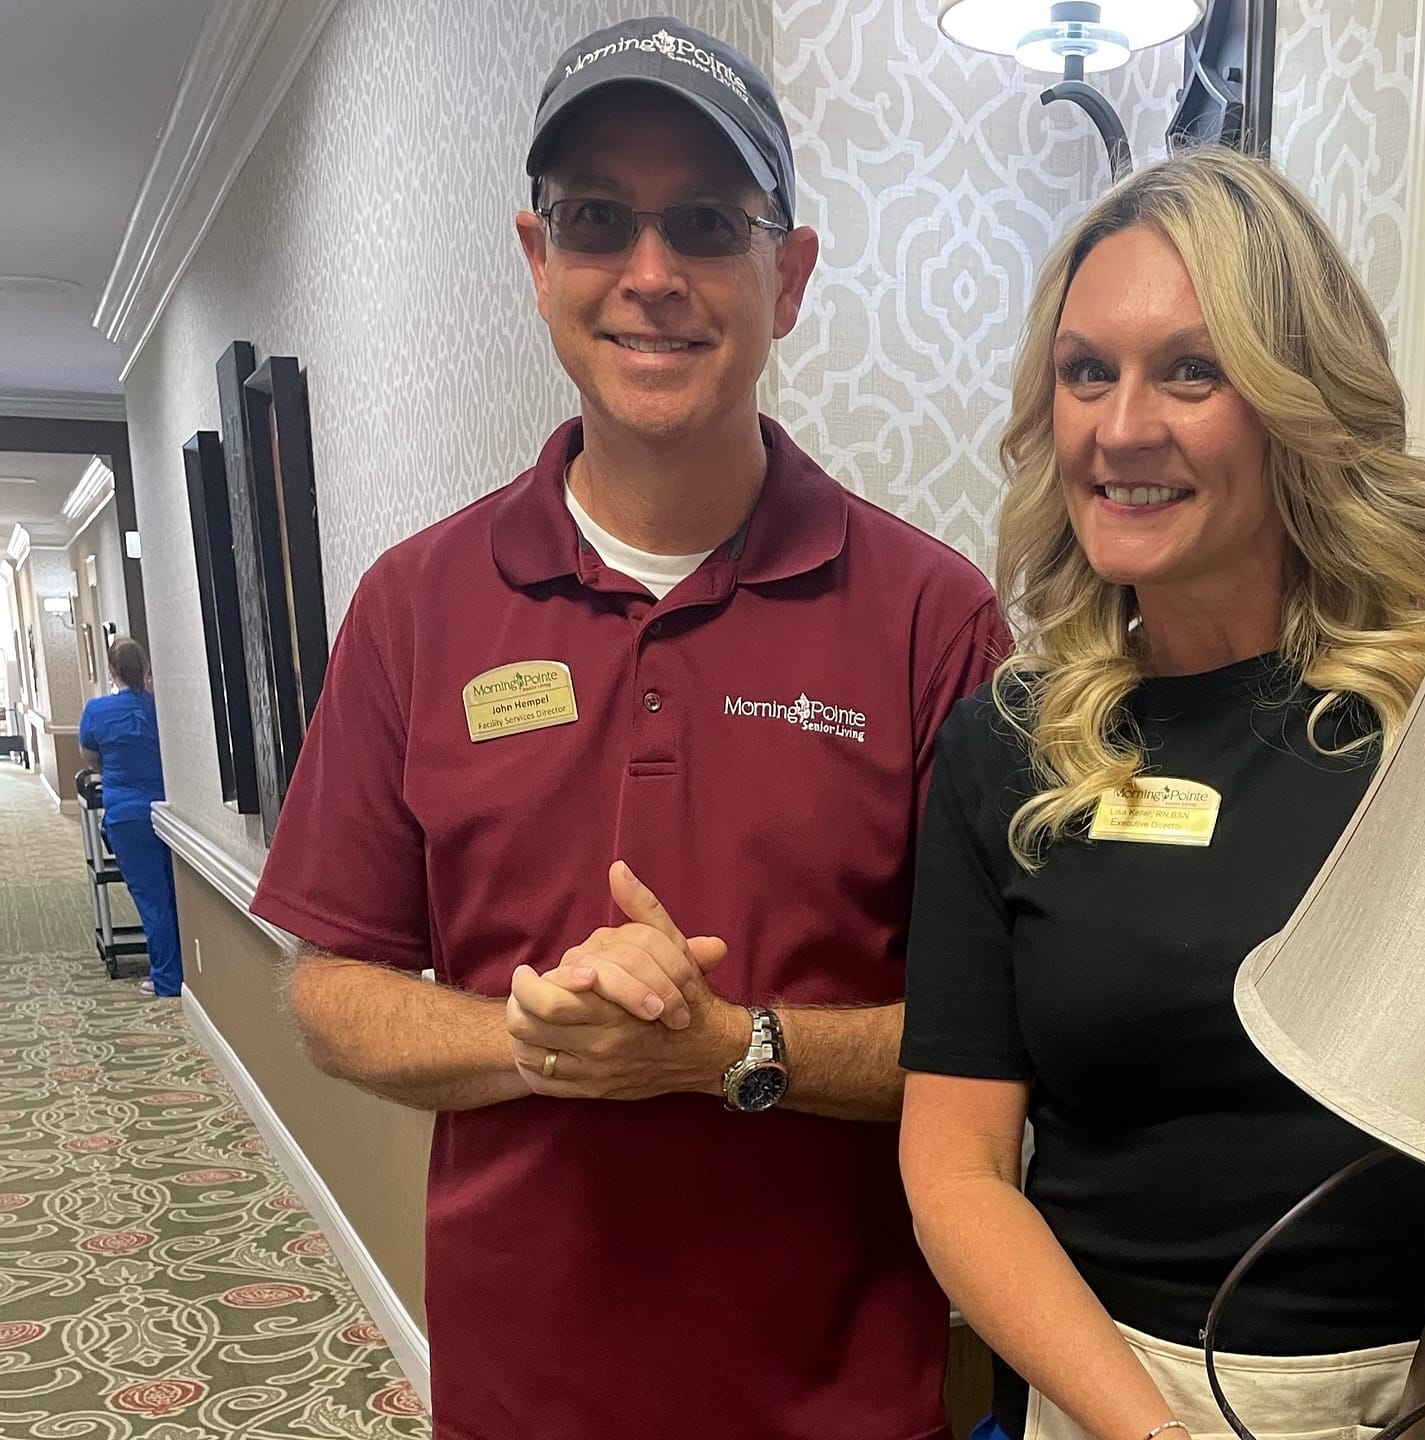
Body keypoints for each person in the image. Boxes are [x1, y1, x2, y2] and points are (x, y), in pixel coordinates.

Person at [898, 147, 1425, 1440]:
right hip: (1121, 1396)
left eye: (1191, 368)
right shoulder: (1005, 752)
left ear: (1294, 401)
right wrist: (1148, 1432)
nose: (1122, 428)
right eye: (1086, 372)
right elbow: (955, 1172)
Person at [249, 18, 1007, 1440]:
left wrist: (735, 1049)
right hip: (526, 1398)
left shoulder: (932, 619)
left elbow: (993, 1047)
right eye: (601, 219)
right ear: (539, 262)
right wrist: (535, 1043)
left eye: (707, 225)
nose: (650, 276)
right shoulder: (414, 607)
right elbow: (328, 988)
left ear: (788, 279)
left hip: (845, 1404)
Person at [79, 638, 180, 998]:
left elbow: (91, 758)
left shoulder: (97, 711)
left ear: (112, 671)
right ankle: (183, 972)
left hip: (126, 815)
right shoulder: (161, 708)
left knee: (152, 899)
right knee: (174, 895)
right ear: (146, 669)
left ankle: (167, 978)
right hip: (168, 812)